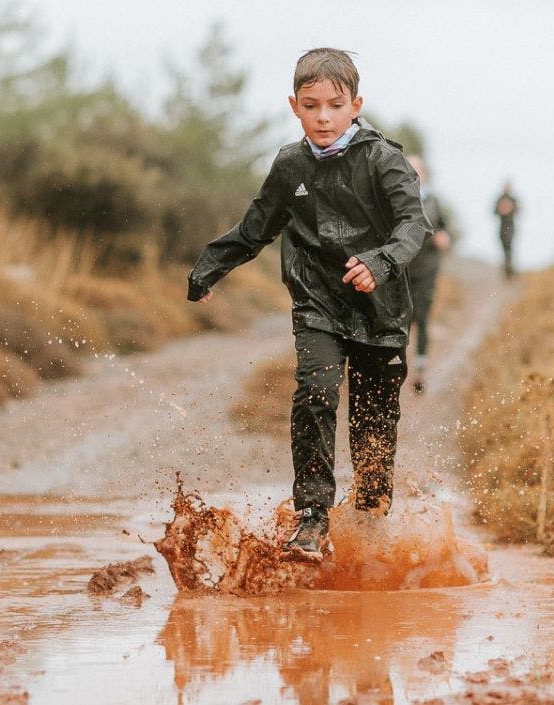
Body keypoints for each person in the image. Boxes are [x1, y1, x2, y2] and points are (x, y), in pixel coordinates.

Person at [186, 48, 430, 563]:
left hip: (380, 311)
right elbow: (257, 227)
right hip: (317, 302)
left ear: (355, 105)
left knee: (374, 423)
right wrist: (209, 267)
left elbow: (414, 226)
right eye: (311, 104)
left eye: (335, 105)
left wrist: (381, 262)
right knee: (316, 393)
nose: (323, 116)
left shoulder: (384, 160)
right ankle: (312, 520)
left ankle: (368, 521)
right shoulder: (290, 164)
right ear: (294, 106)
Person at [404, 155, 451, 394]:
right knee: (401, 318)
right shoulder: (396, 200)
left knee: (422, 316)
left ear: (425, 174)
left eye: (418, 170)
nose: (414, 174)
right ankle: (395, 369)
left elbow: (443, 227)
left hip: (427, 267)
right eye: (408, 169)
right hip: (400, 269)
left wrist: (443, 236)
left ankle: (420, 368)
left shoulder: (433, 202)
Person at [494, 180, 520, 280]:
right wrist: (501, 209)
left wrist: (510, 209)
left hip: (511, 227)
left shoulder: (513, 199)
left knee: (509, 249)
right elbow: (494, 211)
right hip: (502, 227)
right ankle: (507, 272)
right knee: (504, 249)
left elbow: (518, 210)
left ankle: (510, 272)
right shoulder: (499, 199)